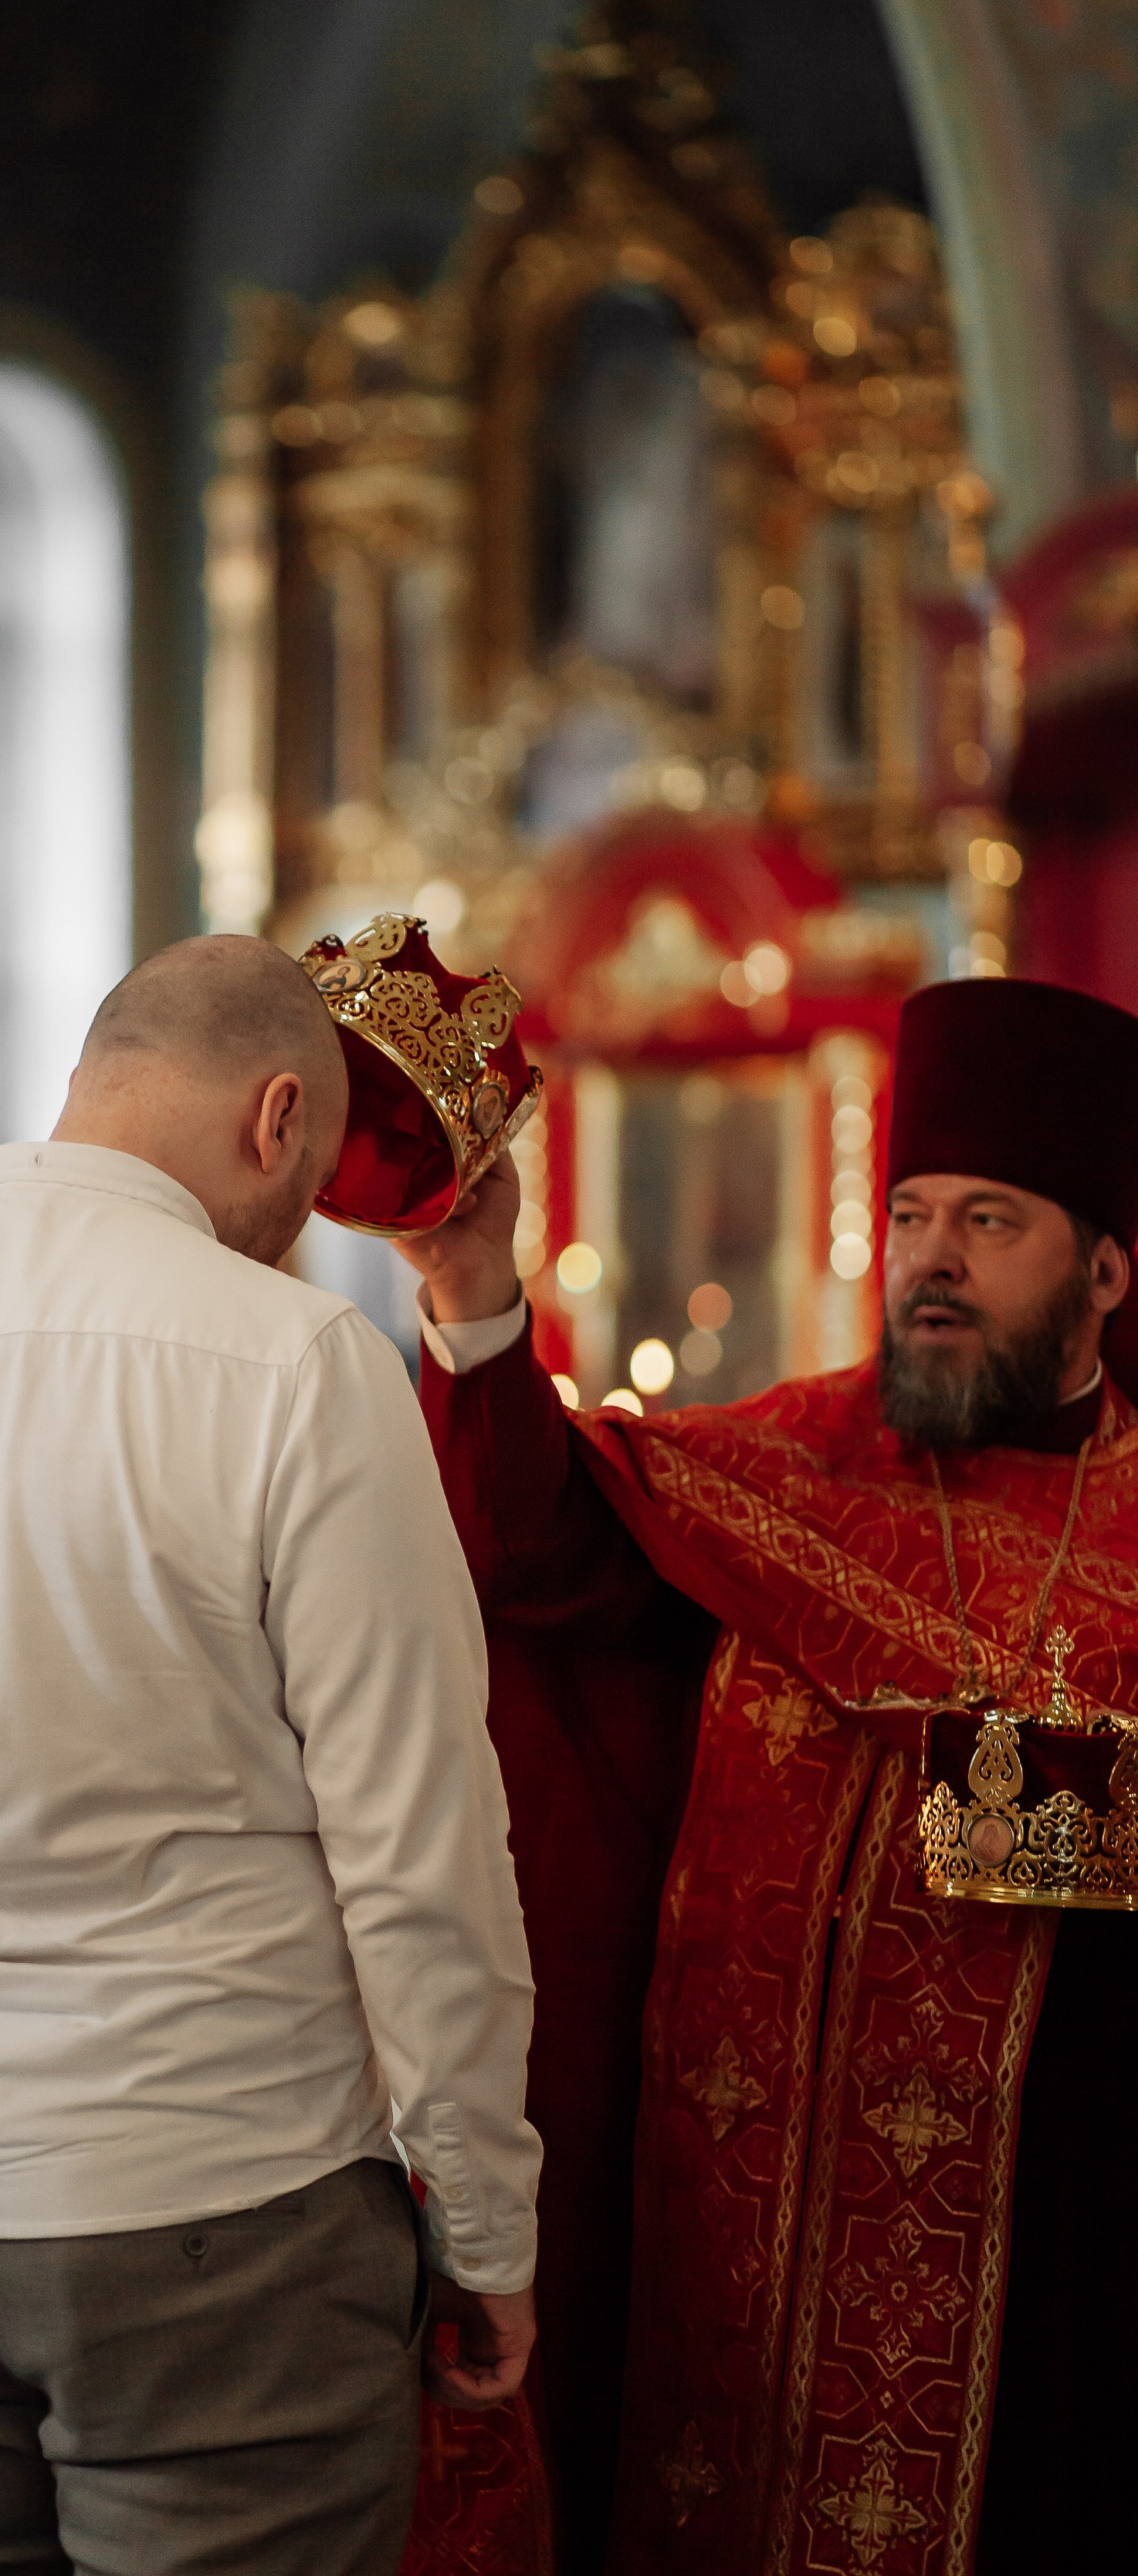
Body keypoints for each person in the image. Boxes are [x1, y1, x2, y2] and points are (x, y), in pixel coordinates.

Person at [0, 933, 543, 2576]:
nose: (296, 1227)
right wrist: (486, 2220)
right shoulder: (298, 1365)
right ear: (279, 1115)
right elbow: (418, 1849)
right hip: (213, 2201)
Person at [397, 973, 1138, 2576]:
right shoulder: (776, 1466)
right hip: (723, 2244)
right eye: (919, 1213)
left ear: (1104, 1268)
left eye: (991, 1221)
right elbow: (544, 1552)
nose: (932, 1257)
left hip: (1038, 2277)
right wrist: (475, 1285)